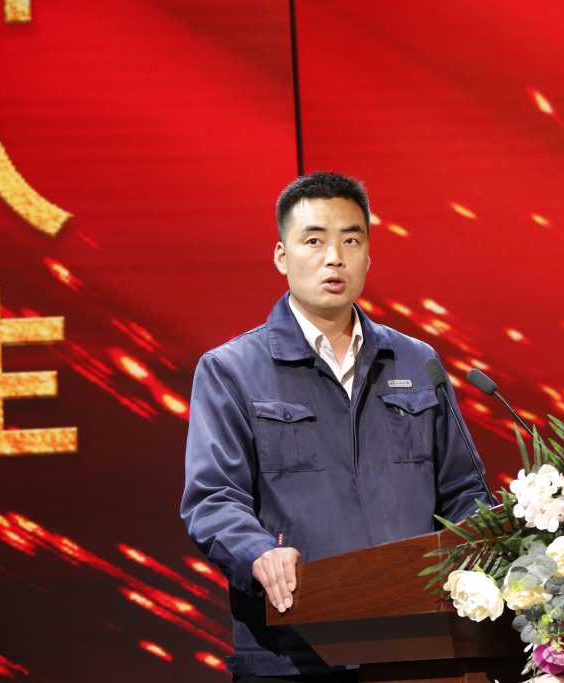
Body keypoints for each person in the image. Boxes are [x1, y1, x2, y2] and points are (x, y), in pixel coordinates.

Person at [180, 171, 493, 680]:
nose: (334, 257)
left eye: (351, 240)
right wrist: (259, 553)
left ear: (368, 255)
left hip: (419, 646)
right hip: (293, 652)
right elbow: (213, 499)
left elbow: (464, 494)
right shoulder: (231, 370)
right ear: (281, 256)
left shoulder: (416, 361)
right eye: (314, 241)